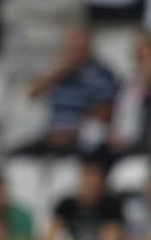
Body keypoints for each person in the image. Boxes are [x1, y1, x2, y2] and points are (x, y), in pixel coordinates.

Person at [24, 26, 120, 156]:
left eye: (78, 46)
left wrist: (78, 129)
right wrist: (62, 70)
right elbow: (32, 93)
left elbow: (107, 109)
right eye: (71, 46)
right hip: (52, 136)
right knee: (18, 156)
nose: (74, 51)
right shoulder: (58, 72)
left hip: (79, 138)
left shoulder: (100, 72)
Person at [41, 158, 126, 240]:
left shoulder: (111, 207)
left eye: (94, 176)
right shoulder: (66, 205)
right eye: (87, 176)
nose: (90, 182)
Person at [109, 31, 151, 158]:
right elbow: (119, 118)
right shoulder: (127, 86)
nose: (144, 64)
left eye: (148, 58)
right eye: (140, 58)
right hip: (125, 148)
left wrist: (150, 87)